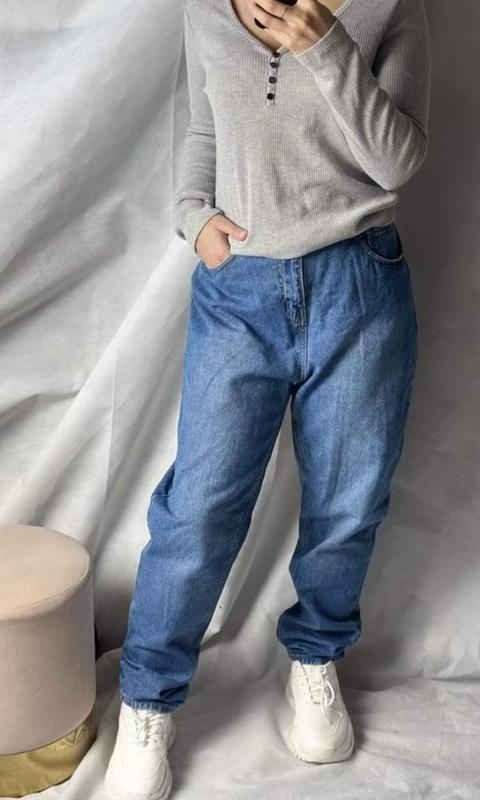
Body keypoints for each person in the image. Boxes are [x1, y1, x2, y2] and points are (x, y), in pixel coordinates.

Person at [105, 0, 432, 797]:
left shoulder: (393, 7)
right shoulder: (206, 8)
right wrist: (195, 217)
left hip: (359, 282)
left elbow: (399, 161)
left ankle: (315, 657)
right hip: (240, 291)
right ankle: (147, 701)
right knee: (199, 507)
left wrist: (324, 45)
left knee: (348, 501)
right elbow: (203, 128)